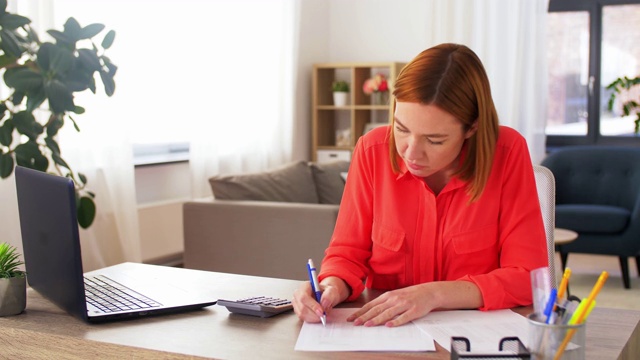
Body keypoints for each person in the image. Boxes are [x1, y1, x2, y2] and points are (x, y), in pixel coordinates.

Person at [292, 43, 548, 327]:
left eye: (434, 140)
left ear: (472, 127)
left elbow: (528, 277)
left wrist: (434, 294)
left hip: (472, 337)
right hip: (386, 335)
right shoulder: (371, 150)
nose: (410, 152)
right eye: (401, 129)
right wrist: (331, 286)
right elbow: (347, 254)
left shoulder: (508, 152)